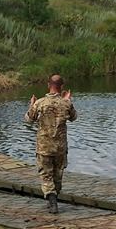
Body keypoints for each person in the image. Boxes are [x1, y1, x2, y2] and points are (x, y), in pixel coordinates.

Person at [24, 74, 77, 214]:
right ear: (62, 87)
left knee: (46, 175)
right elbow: (74, 117)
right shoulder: (66, 103)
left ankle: (52, 201)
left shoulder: (40, 103)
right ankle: (54, 198)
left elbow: (29, 119)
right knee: (58, 174)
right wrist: (68, 100)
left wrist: (31, 104)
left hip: (44, 147)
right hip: (60, 147)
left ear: (49, 85)